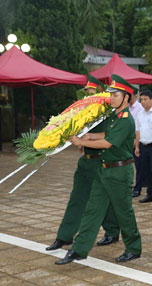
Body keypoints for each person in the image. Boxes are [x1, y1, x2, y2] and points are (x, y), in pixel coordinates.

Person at [56, 74, 142, 264]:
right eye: (111, 95)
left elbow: (108, 142)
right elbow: (105, 134)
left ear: (126, 97)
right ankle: (79, 249)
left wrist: (80, 141)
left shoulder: (126, 119)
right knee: (93, 210)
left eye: (116, 95)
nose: (111, 98)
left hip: (120, 172)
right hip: (104, 169)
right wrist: (89, 137)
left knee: (123, 212)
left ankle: (134, 247)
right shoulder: (115, 116)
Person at [46, 77, 120, 252]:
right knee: (77, 199)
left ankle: (112, 231)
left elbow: (110, 135)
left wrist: (85, 141)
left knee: (104, 200)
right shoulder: (82, 112)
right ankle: (64, 236)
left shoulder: (109, 112)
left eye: (92, 92)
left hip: (101, 162)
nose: (89, 96)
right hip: (86, 162)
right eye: (86, 92)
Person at [130, 89, 145, 198]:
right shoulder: (126, 107)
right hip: (126, 139)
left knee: (139, 165)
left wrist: (137, 141)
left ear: (135, 95)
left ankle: (138, 188)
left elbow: (141, 127)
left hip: (137, 139)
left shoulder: (140, 108)